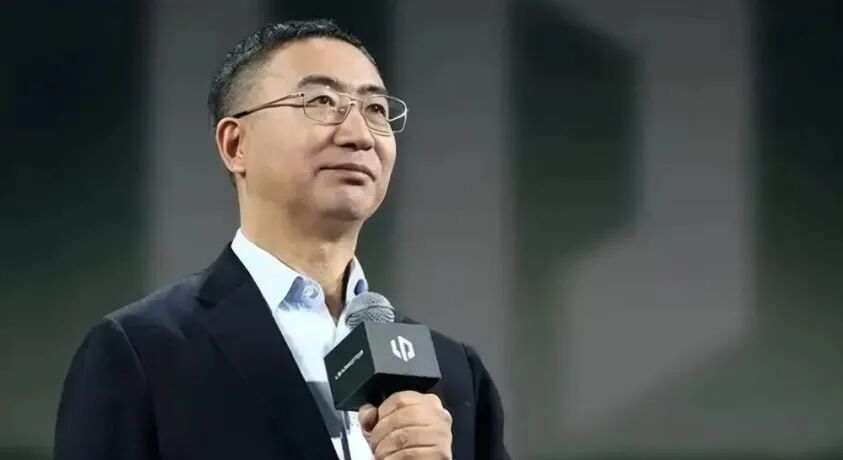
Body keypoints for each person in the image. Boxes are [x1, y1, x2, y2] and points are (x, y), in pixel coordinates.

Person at [54, 18, 509, 460]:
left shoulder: (452, 373)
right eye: (321, 101)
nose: (359, 136)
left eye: (375, 109)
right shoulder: (142, 352)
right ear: (236, 145)